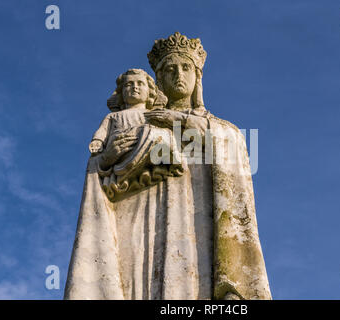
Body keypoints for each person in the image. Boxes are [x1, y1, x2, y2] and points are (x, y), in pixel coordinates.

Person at [65, 32, 271, 300]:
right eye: (170, 69)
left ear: (197, 76)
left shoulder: (218, 127)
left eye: (185, 68)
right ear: (159, 79)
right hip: (141, 221)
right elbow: (103, 167)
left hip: (199, 226)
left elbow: (234, 146)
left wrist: (181, 121)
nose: (178, 75)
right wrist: (105, 157)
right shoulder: (141, 123)